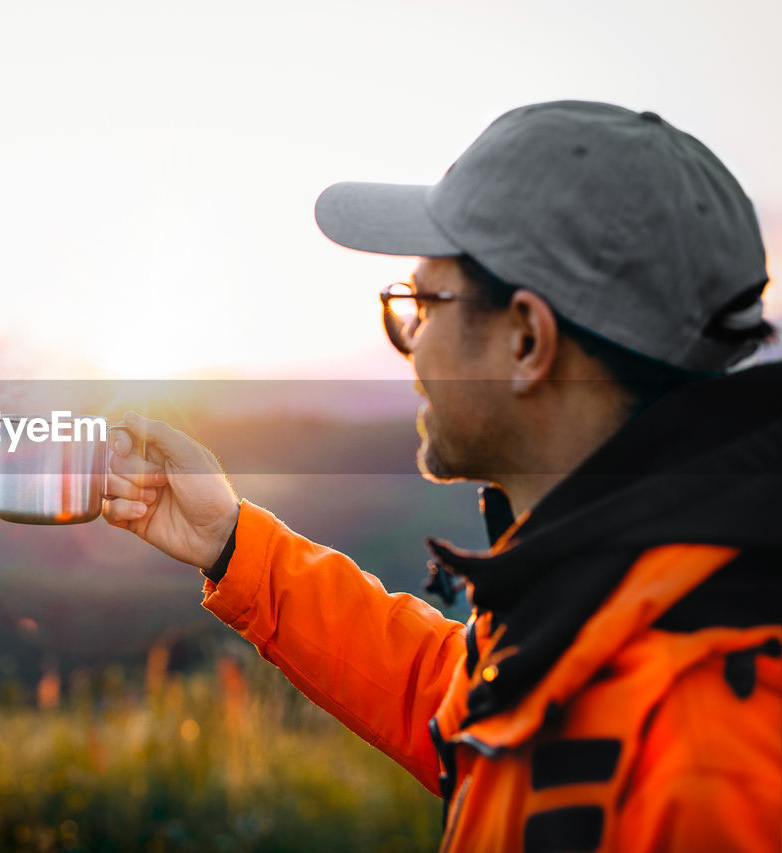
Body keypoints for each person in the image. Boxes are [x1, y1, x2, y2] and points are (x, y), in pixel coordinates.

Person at [101, 101, 781, 851]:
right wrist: (231, 542)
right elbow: (458, 699)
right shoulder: (604, 605)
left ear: (528, 340)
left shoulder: (713, 746)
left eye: (423, 303)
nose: (411, 346)